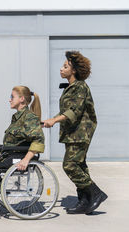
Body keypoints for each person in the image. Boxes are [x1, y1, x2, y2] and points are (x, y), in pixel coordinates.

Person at [43, 51, 107, 214]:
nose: (61, 69)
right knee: (79, 166)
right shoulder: (71, 87)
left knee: (70, 165)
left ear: (74, 71)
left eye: (65, 66)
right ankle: (84, 201)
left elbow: (74, 111)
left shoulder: (80, 87)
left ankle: (96, 193)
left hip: (80, 132)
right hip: (73, 133)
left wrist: (54, 120)